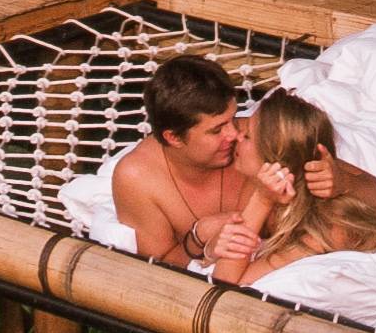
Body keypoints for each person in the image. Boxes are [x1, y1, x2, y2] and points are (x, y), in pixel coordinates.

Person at [114, 52, 276, 277]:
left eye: (233, 118)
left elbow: (333, 170)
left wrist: (338, 177)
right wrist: (200, 238)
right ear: (174, 138)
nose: (234, 133)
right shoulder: (138, 178)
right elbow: (157, 268)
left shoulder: (254, 136)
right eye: (217, 130)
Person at [243, 93, 376, 273]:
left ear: (275, 160)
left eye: (246, 136)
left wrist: (261, 202)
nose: (233, 135)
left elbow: (229, 287)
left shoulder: (319, 236)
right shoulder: (251, 170)